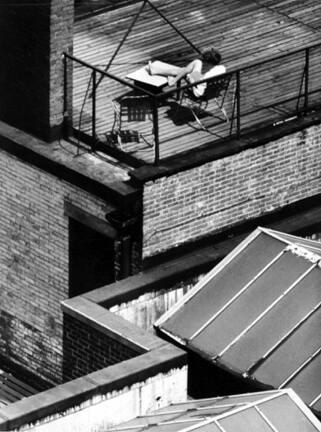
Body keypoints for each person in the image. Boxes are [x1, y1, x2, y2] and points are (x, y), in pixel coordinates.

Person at [146, 48, 226, 97]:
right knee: (188, 67)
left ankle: (169, 78)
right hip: (211, 92)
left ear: (208, 62)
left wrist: (189, 77)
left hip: (198, 90)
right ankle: (166, 76)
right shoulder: (222, 68)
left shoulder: (206, 76)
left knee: (190, 67)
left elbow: (198, 87)